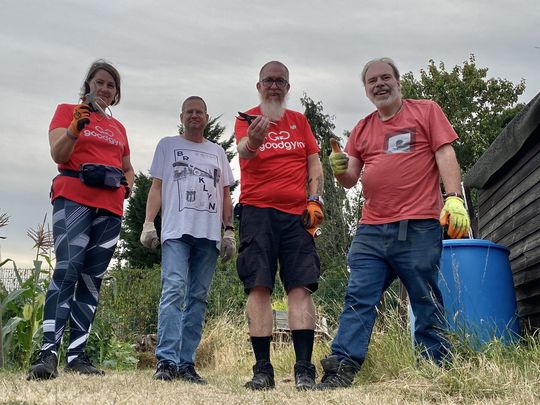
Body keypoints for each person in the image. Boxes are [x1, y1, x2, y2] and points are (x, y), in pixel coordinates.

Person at [316, 57, 470, 389]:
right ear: (366, 89)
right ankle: (341, 369)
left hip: (417, 226)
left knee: (424, 298)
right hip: (371, 229)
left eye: (386, 77)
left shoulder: (426, 111)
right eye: (372, 81)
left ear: (398, 82)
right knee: (359, 298)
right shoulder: (362, 127)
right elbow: (349, 179)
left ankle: (436, 370)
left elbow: (445, 154)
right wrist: (339, 166)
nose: (380, 84)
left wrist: (454, 197)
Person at [27, 60, 134, 380]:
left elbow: (128, 167)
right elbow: (59, 154)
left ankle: (77, 354)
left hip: (111, 207)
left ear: (116, 95)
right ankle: (48, 353)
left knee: (91, 278)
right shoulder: (67, 111)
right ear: (88, 85)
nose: (104, 89)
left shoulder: (119, 128)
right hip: (73, 196)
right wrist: (76, 127)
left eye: (111, 86)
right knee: (68, 267)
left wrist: (126, 185)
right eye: (99, 82)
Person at [234, 61, 324, 391]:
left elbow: (313, 161)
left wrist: (315, 199)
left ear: (288, 88)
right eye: (269, 81)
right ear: (259, 86)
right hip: (257, 213)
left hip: (297, 215)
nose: (274, 86)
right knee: (258, 287)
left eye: (280, 81)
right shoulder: (246, 119)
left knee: (300, 286)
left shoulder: (299, 121)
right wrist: (254, 141)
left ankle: (304, 370)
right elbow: (244, 152)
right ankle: (263, 371)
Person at [140, 96, 235, 384]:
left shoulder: (217, 152)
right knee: (173, 291)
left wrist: (229, 230)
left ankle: (186, 363)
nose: (195, 116)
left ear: (206, 117)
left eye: (199, 112)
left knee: (198, 298)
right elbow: (157, 186)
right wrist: (148, 223)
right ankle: (166, 360)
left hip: (208, 235)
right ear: (182, 116)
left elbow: (225, 194)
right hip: (176, 232)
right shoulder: (168, 146)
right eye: (189, 112)